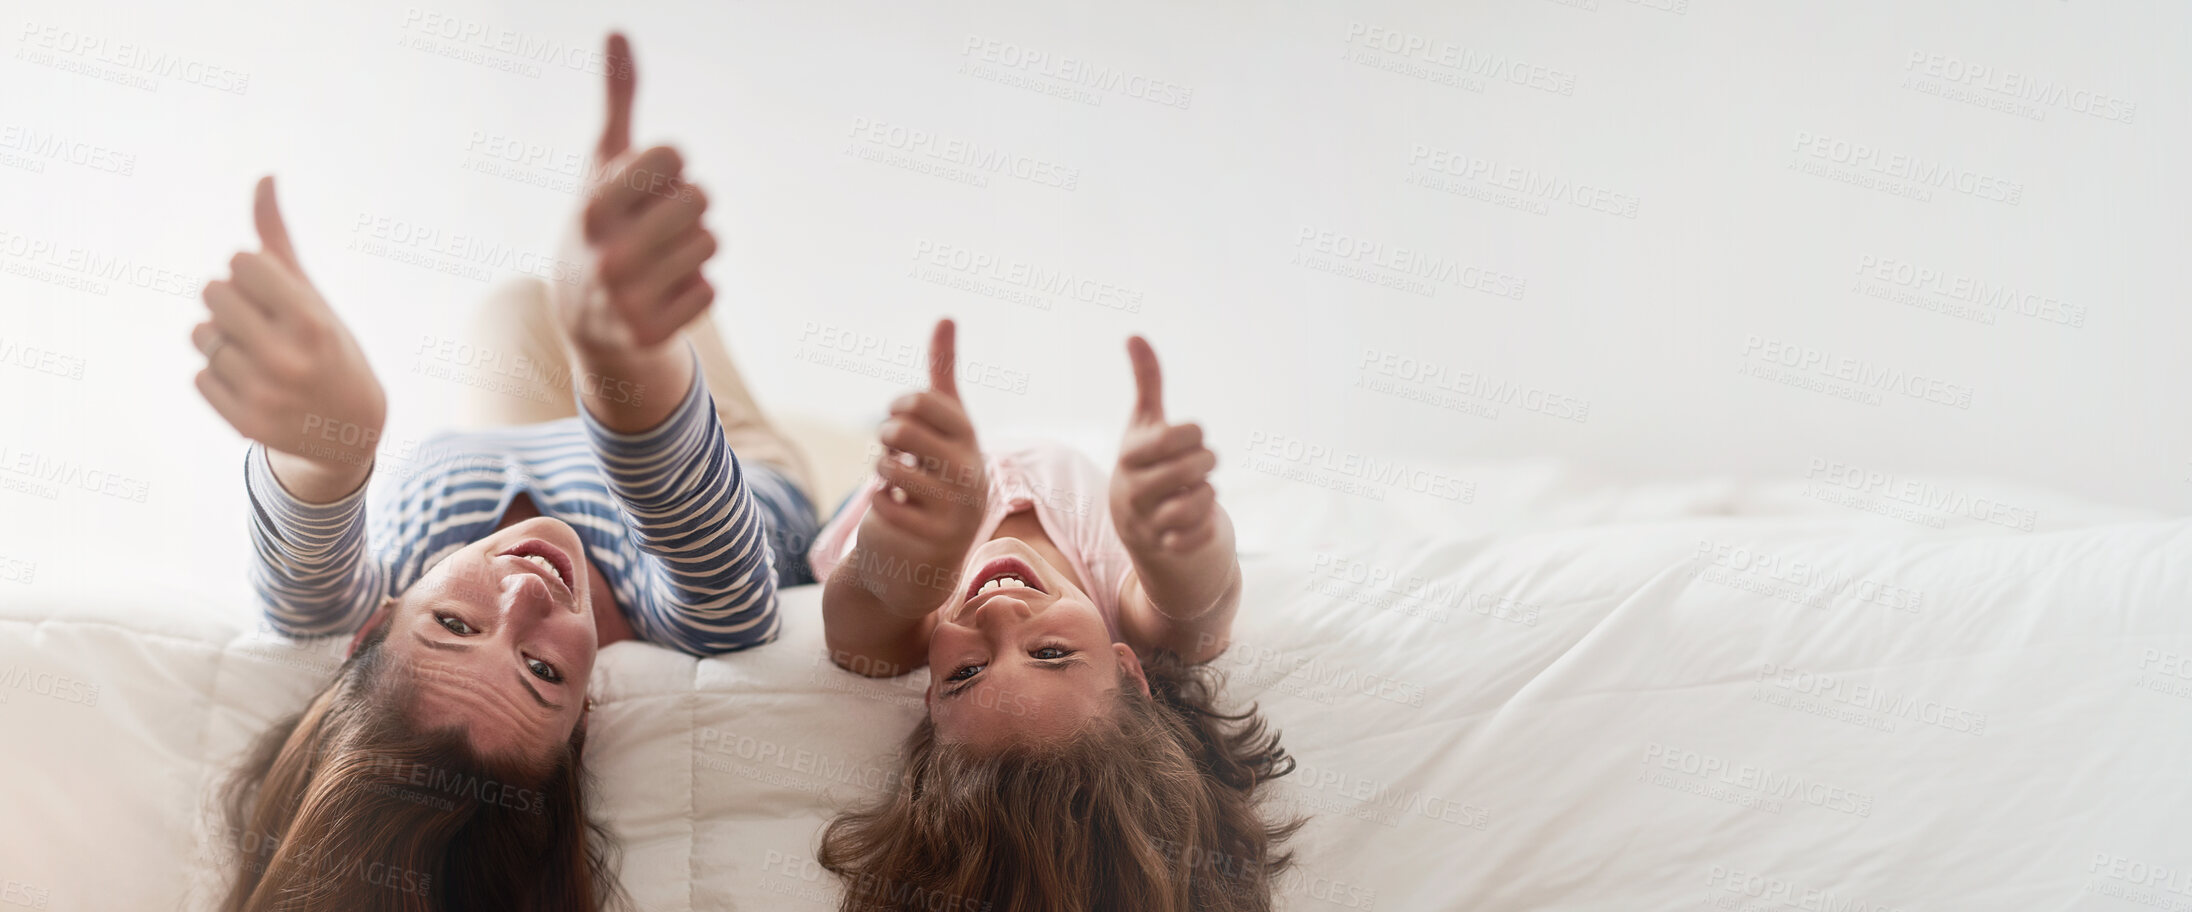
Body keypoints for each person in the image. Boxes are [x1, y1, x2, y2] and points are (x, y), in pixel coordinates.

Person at [201, 35, 815, 911]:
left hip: (509, 452)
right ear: (589, 719)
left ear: (372, 628)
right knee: (585, 310)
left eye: (452, 624)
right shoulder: (695, 611)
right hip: (733, 458)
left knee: (512, 308)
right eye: (543, 673)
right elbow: (698, 534)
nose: (523, 599)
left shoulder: (361, 600)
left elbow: (301, 586)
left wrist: (326, 448)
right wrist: (613, 355)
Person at [811, 319, 1302, 912]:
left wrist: (914, 561)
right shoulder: (1129, 616)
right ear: (1128, 673)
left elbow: (870, 614)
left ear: (929, 702)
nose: (999, 616)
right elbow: (1195, 613)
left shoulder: (909, 630)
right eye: (1050, 654)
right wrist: (1181, 544)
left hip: (870, 479)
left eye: (965, 673)